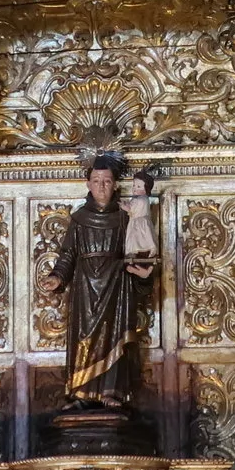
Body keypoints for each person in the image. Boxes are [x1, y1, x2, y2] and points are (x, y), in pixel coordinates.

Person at [41, 151, 155, 409]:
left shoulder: (126, 216)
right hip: (84, 287)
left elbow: (140, 246)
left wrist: (143, 272)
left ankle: (111, 391)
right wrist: (58, 277)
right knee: (84, 337)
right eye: (96, 181)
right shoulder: (79, 218)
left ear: (115, 184)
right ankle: (80, 392)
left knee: (114, 336)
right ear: (88, 184)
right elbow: (68, 253)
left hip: (116, 283)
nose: (101, 186)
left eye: (106, 181)